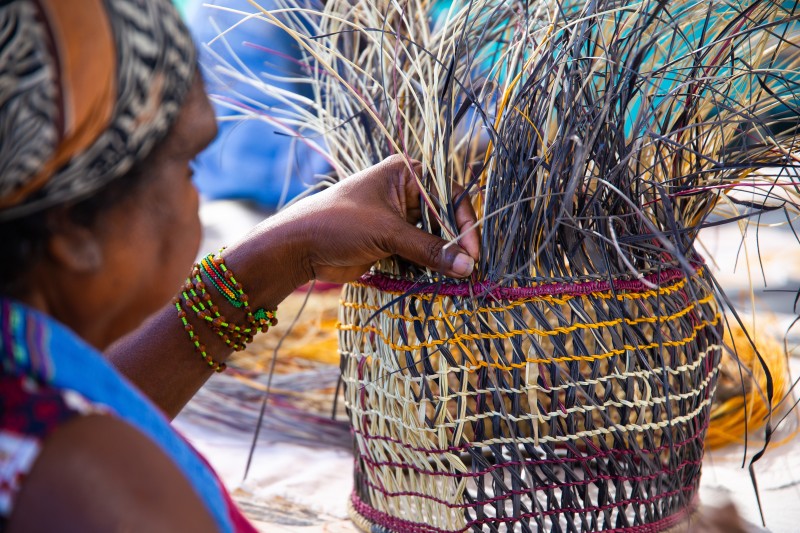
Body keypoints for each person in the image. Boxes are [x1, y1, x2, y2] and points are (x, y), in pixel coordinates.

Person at [0, 1, 478, 531]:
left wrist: (284, 251)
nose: (195, 201)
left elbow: (104, 391)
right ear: (73, 230)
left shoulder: (33, 385)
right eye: (187, 167)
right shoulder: (93, 489)